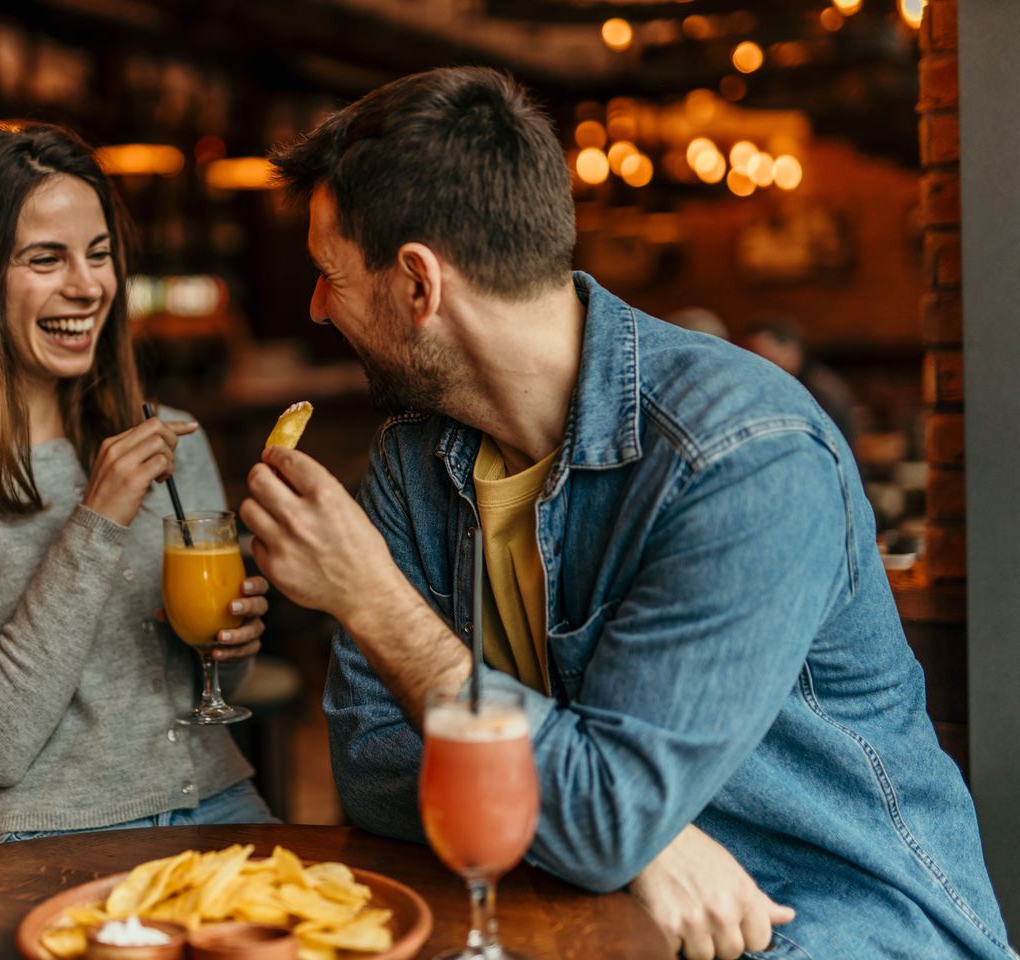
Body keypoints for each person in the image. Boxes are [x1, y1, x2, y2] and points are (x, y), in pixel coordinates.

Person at [240, 67, 1012, 960]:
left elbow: (600, 821)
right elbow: (373, 764)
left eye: (329, 274)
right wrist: (639, 842)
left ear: (420, 284)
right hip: (587, 921)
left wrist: (373, 601)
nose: (317, 307)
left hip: (824, 928)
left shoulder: (743, 454)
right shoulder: (415, 459)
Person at [0, 122, 274, 847]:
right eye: (46, 259)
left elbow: (214, 691)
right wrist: (96, 520)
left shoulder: (171, 439)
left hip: (220, 796)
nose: (87, 285)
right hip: (50, 837)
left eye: (99, 255)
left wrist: (231, 644)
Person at [740, 313, 859, 444]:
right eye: (751, 359)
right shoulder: (783, 384)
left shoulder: (818, 390)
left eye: (766, 359)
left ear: (792, 350)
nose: (758, 368)